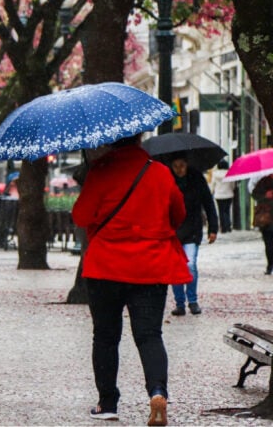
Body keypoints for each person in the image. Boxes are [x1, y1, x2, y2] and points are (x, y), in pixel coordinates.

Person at [72, 133, 191, 426]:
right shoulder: (160, 172)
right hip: (150, 266)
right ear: (139, 138)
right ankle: (157, 391)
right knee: (150, 335)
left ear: (111, 140)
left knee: (105, 336)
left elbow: (80, 216)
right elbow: (178, 214)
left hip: (106, 267)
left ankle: (108, 402)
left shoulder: (101, 171)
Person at [168, 154, 218, 316]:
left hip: (192, 229)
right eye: (175, 166)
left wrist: (213, 227)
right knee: (176, 266)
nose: (179, 170)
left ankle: (193, 300)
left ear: (187, 164)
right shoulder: (167, 179)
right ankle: (180, 303)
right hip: (173, 230)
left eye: (182, 165)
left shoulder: (197, 178)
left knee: (190, 264)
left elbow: (208, 203)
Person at [252, 175, 273, 274]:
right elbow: (254, 194)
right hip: (266, 218)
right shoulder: (264, 181)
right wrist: (265, 195)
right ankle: (270, 265)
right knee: (268, 244)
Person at [211, 159, 235, 233]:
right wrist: (232, 189)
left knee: (221, 211)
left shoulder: (215, 174)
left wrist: (212, 191)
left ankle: (223, 228)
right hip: (229, 194)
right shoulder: (230, 173)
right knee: (227, 211)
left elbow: (213, 184)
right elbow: (232, 184)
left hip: (219, 195)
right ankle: (228, 226)